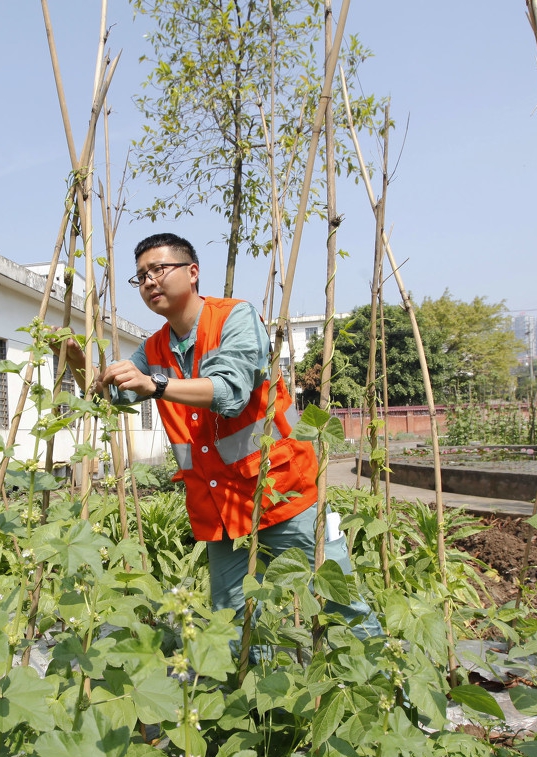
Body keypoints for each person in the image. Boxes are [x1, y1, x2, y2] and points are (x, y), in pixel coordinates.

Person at [61, 232, 382, 648]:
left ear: (192, 273)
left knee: (342, 602)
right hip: (218, 503)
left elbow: (230, 393)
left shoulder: (235, 318)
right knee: (232, 623)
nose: (149, 281)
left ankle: (396, 694)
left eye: (158, 269)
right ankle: (252, 709)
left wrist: (155, 384)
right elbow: (116, 394)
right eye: (140, 276)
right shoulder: (154, 347)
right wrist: (77, 362)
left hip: (280, 492)